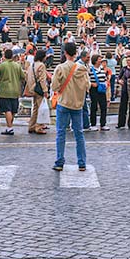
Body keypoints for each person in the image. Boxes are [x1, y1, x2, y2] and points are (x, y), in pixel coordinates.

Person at [51, 42, 90, 172]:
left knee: (61, 133)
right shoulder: (82, 69)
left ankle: (59, 161)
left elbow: (55, 87)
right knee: (79, 134)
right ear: (76, 53)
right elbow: (88, 86)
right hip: (78, 104)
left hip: (64, 102)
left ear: (65, 53)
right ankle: (82, 163)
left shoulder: (60, 68)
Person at [0, 49, 24, 136]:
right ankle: (9, 126)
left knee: (7, 109)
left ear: (4, 56)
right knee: (13, 110)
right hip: (15, 90)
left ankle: (10, 127)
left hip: (4, 90)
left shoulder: (1, 65)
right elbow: (23, 76)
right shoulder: (17, 65)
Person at [26, 48, 50, 134]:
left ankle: (31, 126)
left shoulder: (31, 65)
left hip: (33, 89)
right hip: (39, 89)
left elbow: (27, 77)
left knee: (35, 108)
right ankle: (39, 127)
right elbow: (42, 79)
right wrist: (45, 90)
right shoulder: (41, 65)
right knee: (41, 108)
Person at [88, 54, 110, 131]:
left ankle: (103, 124)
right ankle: (93, 124)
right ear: (95, 61)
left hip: (102, 89)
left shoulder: (102, 69)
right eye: (99, 59)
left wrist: (106, 83)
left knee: (103, 106)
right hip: (93, 89)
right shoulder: (90, 69)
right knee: (94, 106)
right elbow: (87, 79)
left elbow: (104, 78)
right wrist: (91, 84)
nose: (100, 61)